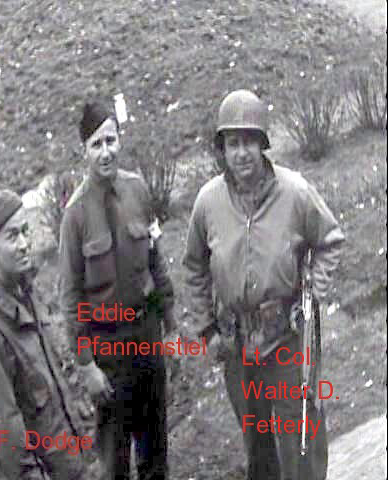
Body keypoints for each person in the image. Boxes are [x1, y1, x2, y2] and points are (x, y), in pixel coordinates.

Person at [182, 90, 344, 480]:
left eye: (249, 142)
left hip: (287, 337)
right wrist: (207, 329)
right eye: (232, 143)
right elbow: (194, 266)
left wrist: (312, 295)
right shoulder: (208, 202)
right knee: (259, 449)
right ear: (222, 150)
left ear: (263, 144)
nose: (242, 153)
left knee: (300, 442)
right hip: (237, 346)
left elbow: (330, 241)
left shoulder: (294, 192)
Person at [58, 100, 178, 480]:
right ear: (84, 151)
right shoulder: (75, 215)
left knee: (155, 452)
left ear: (120, 141)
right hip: (107, 348)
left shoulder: (137, 190)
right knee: (116, 460)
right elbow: (71, 297)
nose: (106, 151)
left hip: (146, 334)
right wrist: (86, 364)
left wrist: (171, 328)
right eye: (96, 144)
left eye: (110, 140)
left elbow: (156, 262)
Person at [0, 189, 93, 480]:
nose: (25, 244)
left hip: (76, 458)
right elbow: (7, 440)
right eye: (12, 236)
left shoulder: (26, 290)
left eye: (26, 231)